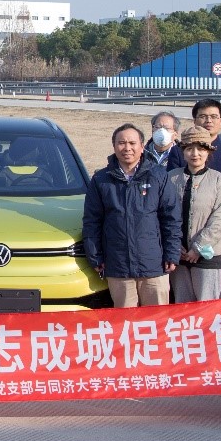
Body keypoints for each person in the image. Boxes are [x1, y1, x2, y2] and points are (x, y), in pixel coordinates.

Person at [82, 124, 181, 308]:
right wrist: (95, 256)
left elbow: (171, 218)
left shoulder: (158, 176)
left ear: (142, 146)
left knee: (156, 319)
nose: (127, 148)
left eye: (132, 143)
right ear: (114, 146)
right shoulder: (101, 180)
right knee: (125, 321)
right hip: (118, 266)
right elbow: (92, 222)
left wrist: (172, 253)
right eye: (121, 143)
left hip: (154, 265)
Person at [166, 126, 221, 302]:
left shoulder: (218, 179)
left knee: (207, 306)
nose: (195, 154)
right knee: (182, 306)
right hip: (178, 254)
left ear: (208, 151)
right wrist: (174, 245)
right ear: (183, 151)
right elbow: (163, 215)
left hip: (208, 256)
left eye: (200, 149)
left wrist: (198, 248)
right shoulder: (171, 178)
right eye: (189, 149)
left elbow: (219, 219)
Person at [191, 98, 221, 172]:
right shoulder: (179, 152)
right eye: (203, 116)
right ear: (194, 121)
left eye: (213, 117)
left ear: (220, 121)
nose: (208, 121)